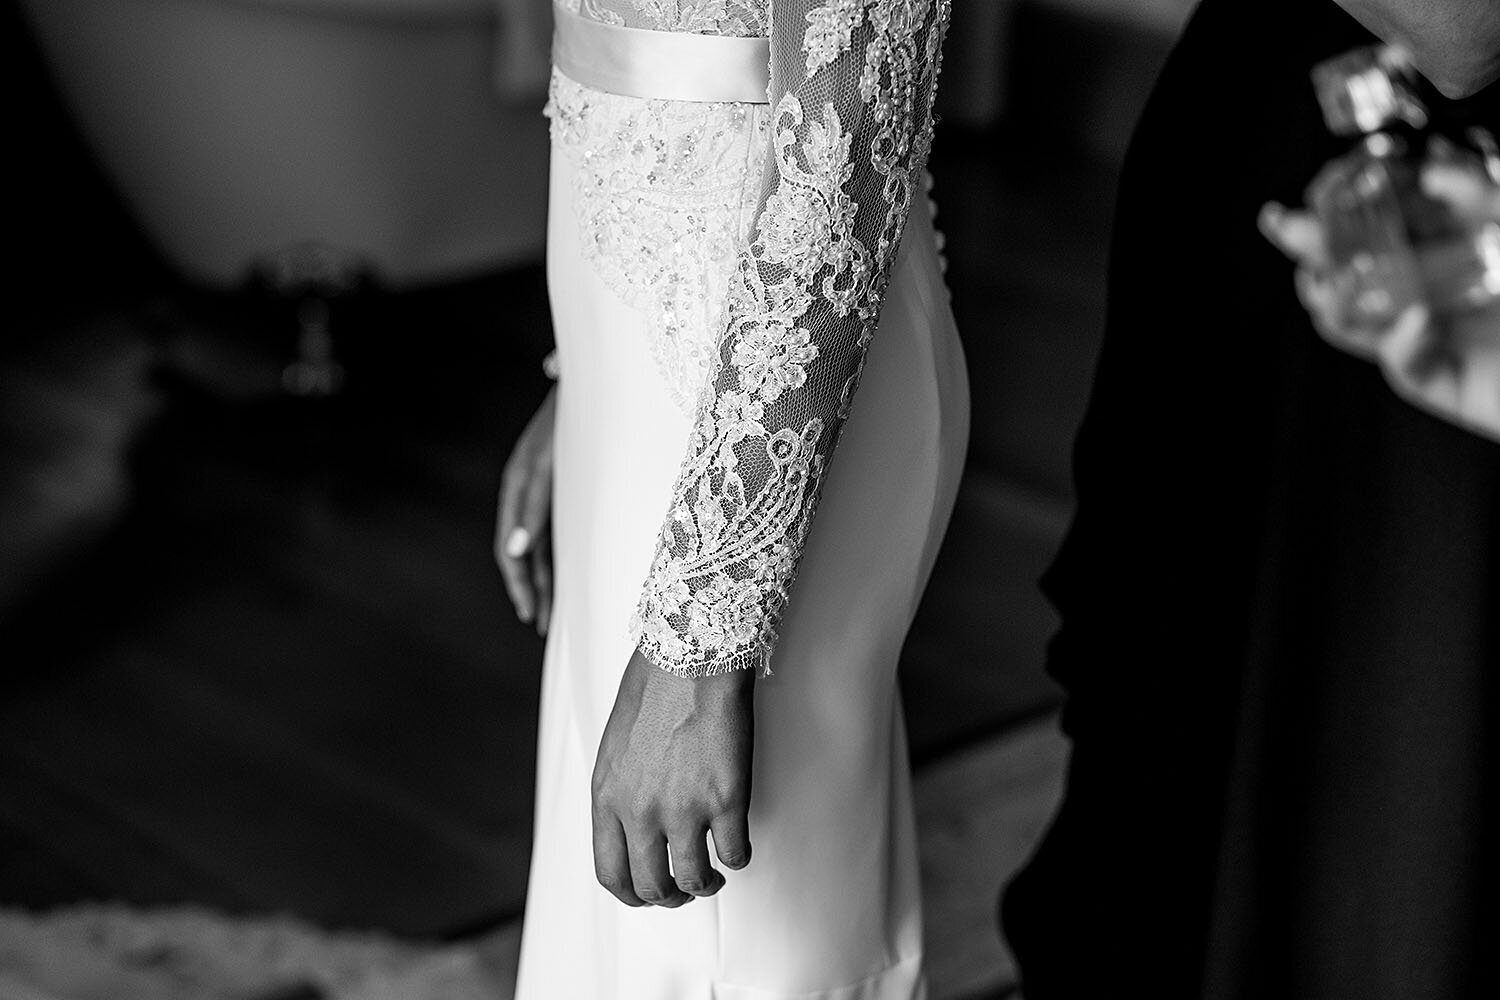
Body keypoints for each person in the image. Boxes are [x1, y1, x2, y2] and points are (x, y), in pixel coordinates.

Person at [1001, 1, 1499, 998]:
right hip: (1275, 145)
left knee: (1369, 783)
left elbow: (1464, 35)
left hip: (1419, 230)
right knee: (1177, 700)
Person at [497, 2, 967, 996]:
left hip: (771, 371)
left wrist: (699, 646)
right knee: (632, 931)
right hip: (643, 346)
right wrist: (581, 380)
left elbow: (842, 155)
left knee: (745, 938)